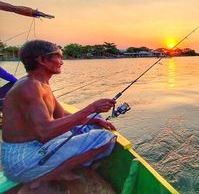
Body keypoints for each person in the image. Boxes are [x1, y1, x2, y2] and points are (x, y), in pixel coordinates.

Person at [1, 40, 117, 191]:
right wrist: (91, 108)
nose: (62, 62)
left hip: (34, 149)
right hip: (22, 160)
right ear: (42, 60)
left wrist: (93, 118)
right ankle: (41, 181)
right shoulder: (29, 87)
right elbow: (44, 133)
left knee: (95, 122)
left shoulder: (40, 83)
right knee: (105, 138)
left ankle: (56, 171)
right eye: (59, 57)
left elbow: (61, 114)